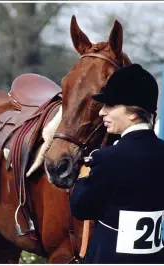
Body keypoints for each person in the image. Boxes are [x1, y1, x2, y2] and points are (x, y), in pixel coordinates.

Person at [71, 64, 164, 263]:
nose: (101, 112)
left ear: (133, 113)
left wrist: (84, 175)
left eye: (110, 106)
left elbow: (81, 208)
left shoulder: (108, 158)